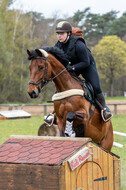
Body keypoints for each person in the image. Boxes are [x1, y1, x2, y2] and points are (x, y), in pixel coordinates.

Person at [54, 21, 112, 122]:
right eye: (58, 34)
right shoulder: (58, 45)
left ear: (68, 33)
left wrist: (72, 68)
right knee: (62, 85)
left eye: (62, 34)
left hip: (87, 66)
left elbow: (85, 62)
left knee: (96, 87)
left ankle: (104, 110)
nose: (59, 36)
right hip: (71, 66)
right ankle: (55, 113)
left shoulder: (78, 44)